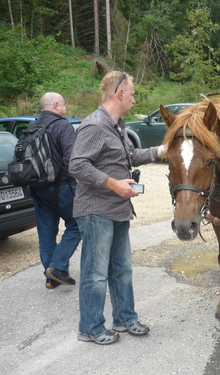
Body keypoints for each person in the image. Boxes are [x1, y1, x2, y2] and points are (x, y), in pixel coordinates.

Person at [69, 71, 166, 345]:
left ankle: (125, 318)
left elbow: (130, 156)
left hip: (119, 209)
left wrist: (161, 150)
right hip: (96, 210)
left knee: (122, 269)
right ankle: (90, 328)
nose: (134, 99)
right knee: (95, 273)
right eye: (132, 94)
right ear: (120, 93)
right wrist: (113, 184)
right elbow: (76, 165)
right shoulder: (95, 125)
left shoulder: (118, 126)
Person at [30, 92, 81, 289]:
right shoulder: (62, 125)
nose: (66, 108)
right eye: (65, 104)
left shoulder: (32, 126)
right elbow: (71, 160)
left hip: (38, 189)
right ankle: (58, 267)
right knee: (77, 225)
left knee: (46, 233)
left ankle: (51, 278)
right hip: (62, 187)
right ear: (57, 105)